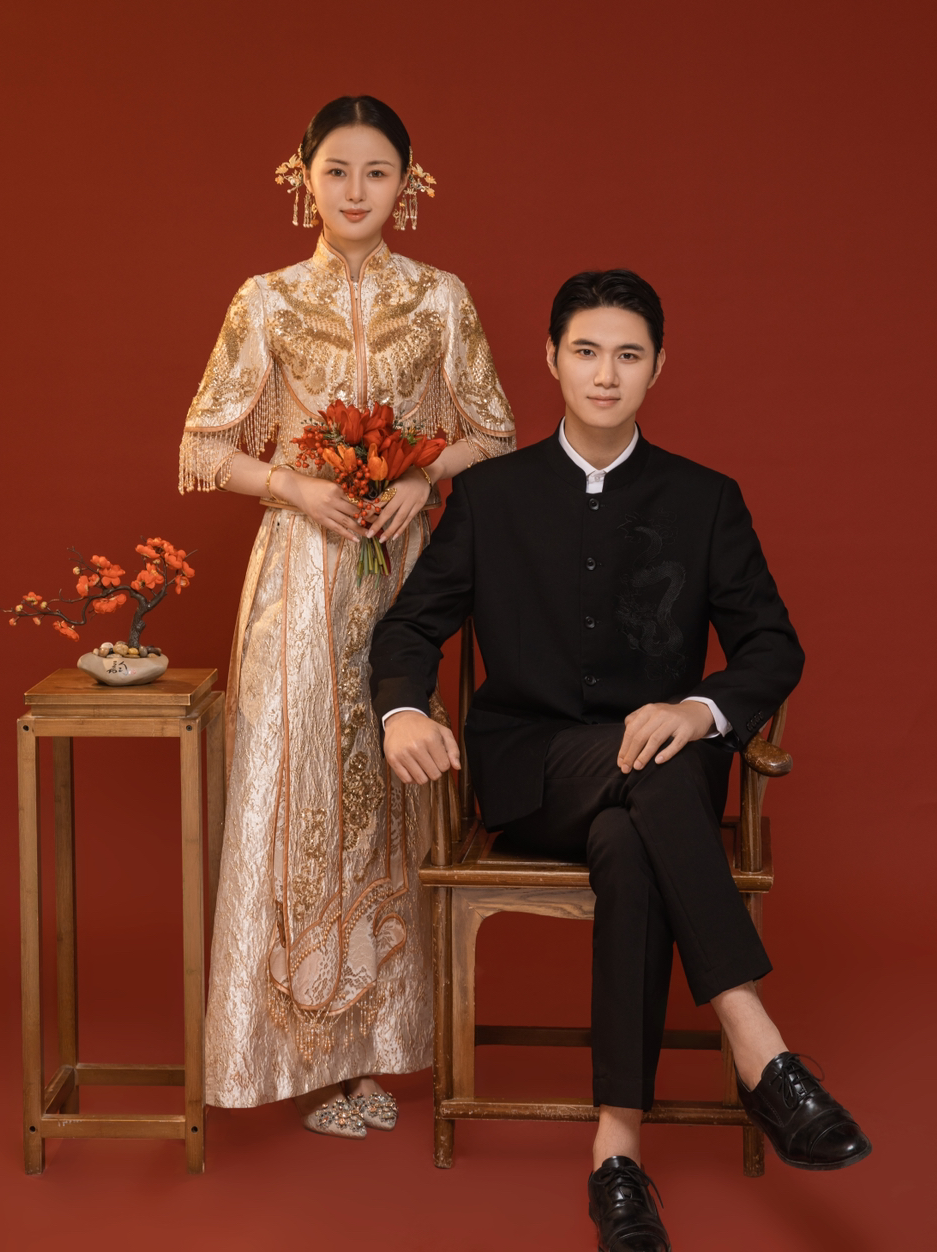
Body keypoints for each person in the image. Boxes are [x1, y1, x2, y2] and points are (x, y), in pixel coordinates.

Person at [370, 269, 870, 1248]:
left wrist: (697, 706)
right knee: (656, 782)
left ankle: (617, 1154)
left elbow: (773, 647)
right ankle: (756, 1041)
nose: (606, 374)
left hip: (653, 783)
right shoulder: (491, 495)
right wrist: (398, 712)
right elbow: (410, 627)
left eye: (628, 355)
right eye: (587, 352)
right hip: (532, 773)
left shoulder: (705, 499)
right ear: (552, 360)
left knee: (635, 839)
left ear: (658, 368)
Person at [179, 95, 515, 1137]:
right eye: (337, 170)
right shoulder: (266, 301)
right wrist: (291, 486)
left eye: (377, 172)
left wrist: (421, 476)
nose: (356, 190)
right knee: (295, 792)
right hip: (298, 578)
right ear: (303, 178)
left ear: (408, 185)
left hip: (405, 576)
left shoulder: (442, 298)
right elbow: (201, 446)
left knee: (389, 795)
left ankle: (375, 1054)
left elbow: (497, 431)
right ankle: (292, 1055)